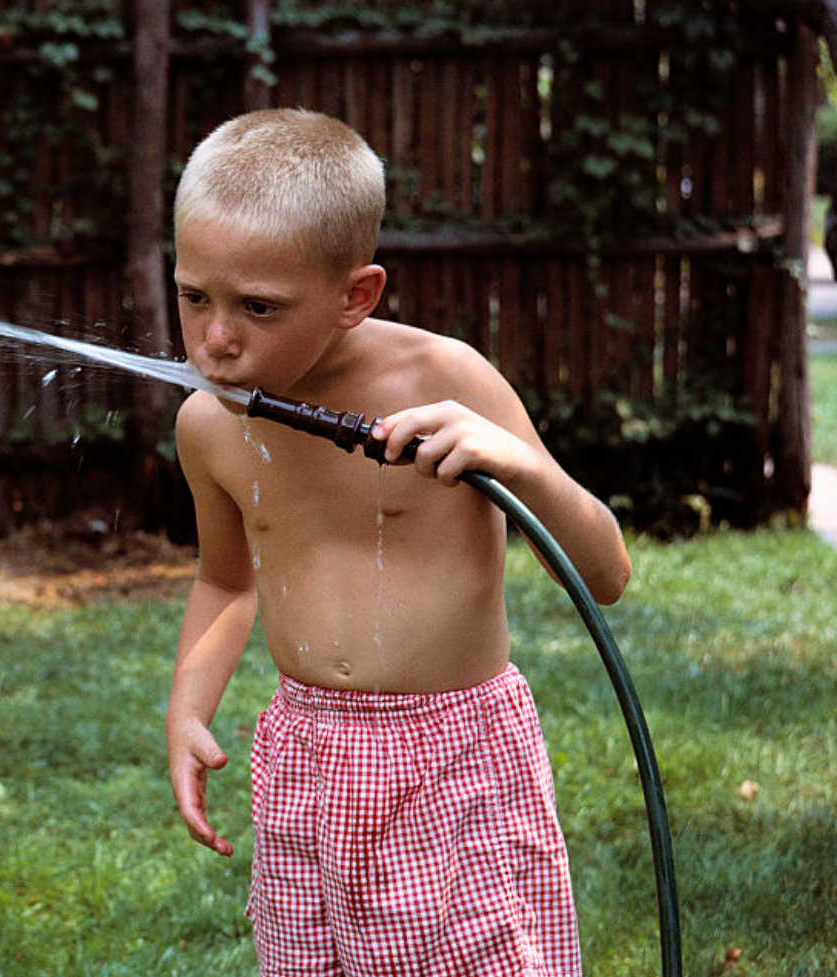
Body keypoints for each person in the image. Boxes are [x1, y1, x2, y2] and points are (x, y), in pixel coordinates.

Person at [165, 108, 632, 976]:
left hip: (455, 759)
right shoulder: (209, 425)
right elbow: (227, 584)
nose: (216, 337)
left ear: (355, 295)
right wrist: (187, 708)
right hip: (307, 754)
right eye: (195, 296)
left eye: (258, 307)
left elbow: (605, 573)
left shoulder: (446, 380)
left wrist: (521, 467)